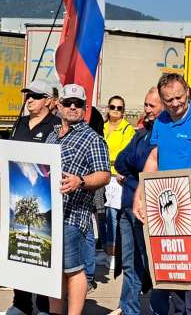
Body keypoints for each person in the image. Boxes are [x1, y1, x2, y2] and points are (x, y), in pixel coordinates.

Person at [135, 73, 191, 315]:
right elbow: (154, 158)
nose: (175, 104)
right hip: (168, 207)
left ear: (187, 91)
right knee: (172, 275)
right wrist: (140, 197)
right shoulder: (162, 121)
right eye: (169, 100)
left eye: (179, 97)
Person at [45, 84, 111, 314]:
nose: (73, 107)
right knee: (54, 269)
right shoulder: (52, 135)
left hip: (73, 216)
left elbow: (104, 174)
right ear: (59, 105)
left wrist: (80, 181)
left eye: (78, 104)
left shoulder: (92, 138)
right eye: (67, 103)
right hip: (48, 214)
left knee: (73, 269)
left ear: (85, 108)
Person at [0, 79, 61, 315]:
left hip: (44, 197)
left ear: (48, 100)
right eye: (28, 96)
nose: (30, 101)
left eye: (35, 96)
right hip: (18, 196)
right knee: (19, 250)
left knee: (42, 252)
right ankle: (21, 302)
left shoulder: (55, 125)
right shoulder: (20, 122)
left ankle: (44, 305)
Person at [113, 87, 161, 315]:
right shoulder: (141, 132)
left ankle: (155, 308)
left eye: (152, 105)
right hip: (126, 206)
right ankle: (129, 309)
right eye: (145, 104)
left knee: (151, 264)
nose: (147, 109)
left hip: (147, 210)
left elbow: (144, 162)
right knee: (130, 265)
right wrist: (136, 163)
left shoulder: (163, 133)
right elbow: (120, 161)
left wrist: (135, 163)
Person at [102, 95, 135, 271]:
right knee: (103, 217)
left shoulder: (127, 129)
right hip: (101, 175)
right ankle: (106, 251)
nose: (115, 110)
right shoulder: (103, 127)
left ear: (123, 111)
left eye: (119, 108)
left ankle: (115, 254)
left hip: (116, 178)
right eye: (112, 107)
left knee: (114, 217)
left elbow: (126, 153)